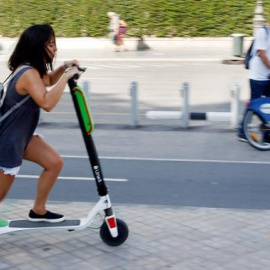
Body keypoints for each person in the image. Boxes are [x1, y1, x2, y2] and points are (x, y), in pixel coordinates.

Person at [0, 23, 81, 222]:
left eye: (54, 43)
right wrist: (66, 76)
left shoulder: (31, 69)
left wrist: (64, 67)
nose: (55, 49)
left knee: (54, 163)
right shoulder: (28, 73)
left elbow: (48, 80)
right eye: (50, 44)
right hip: (8, 140)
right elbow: (46, 103)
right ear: (37, 46)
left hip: (22, 135)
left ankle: (38, 210)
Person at [238, 25, 270, 141]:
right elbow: (262, 54)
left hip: (268, 76)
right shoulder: (263, 32)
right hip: (258, 76)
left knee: (268, 106)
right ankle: (242, 132)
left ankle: (267, 135)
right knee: (254, 104)